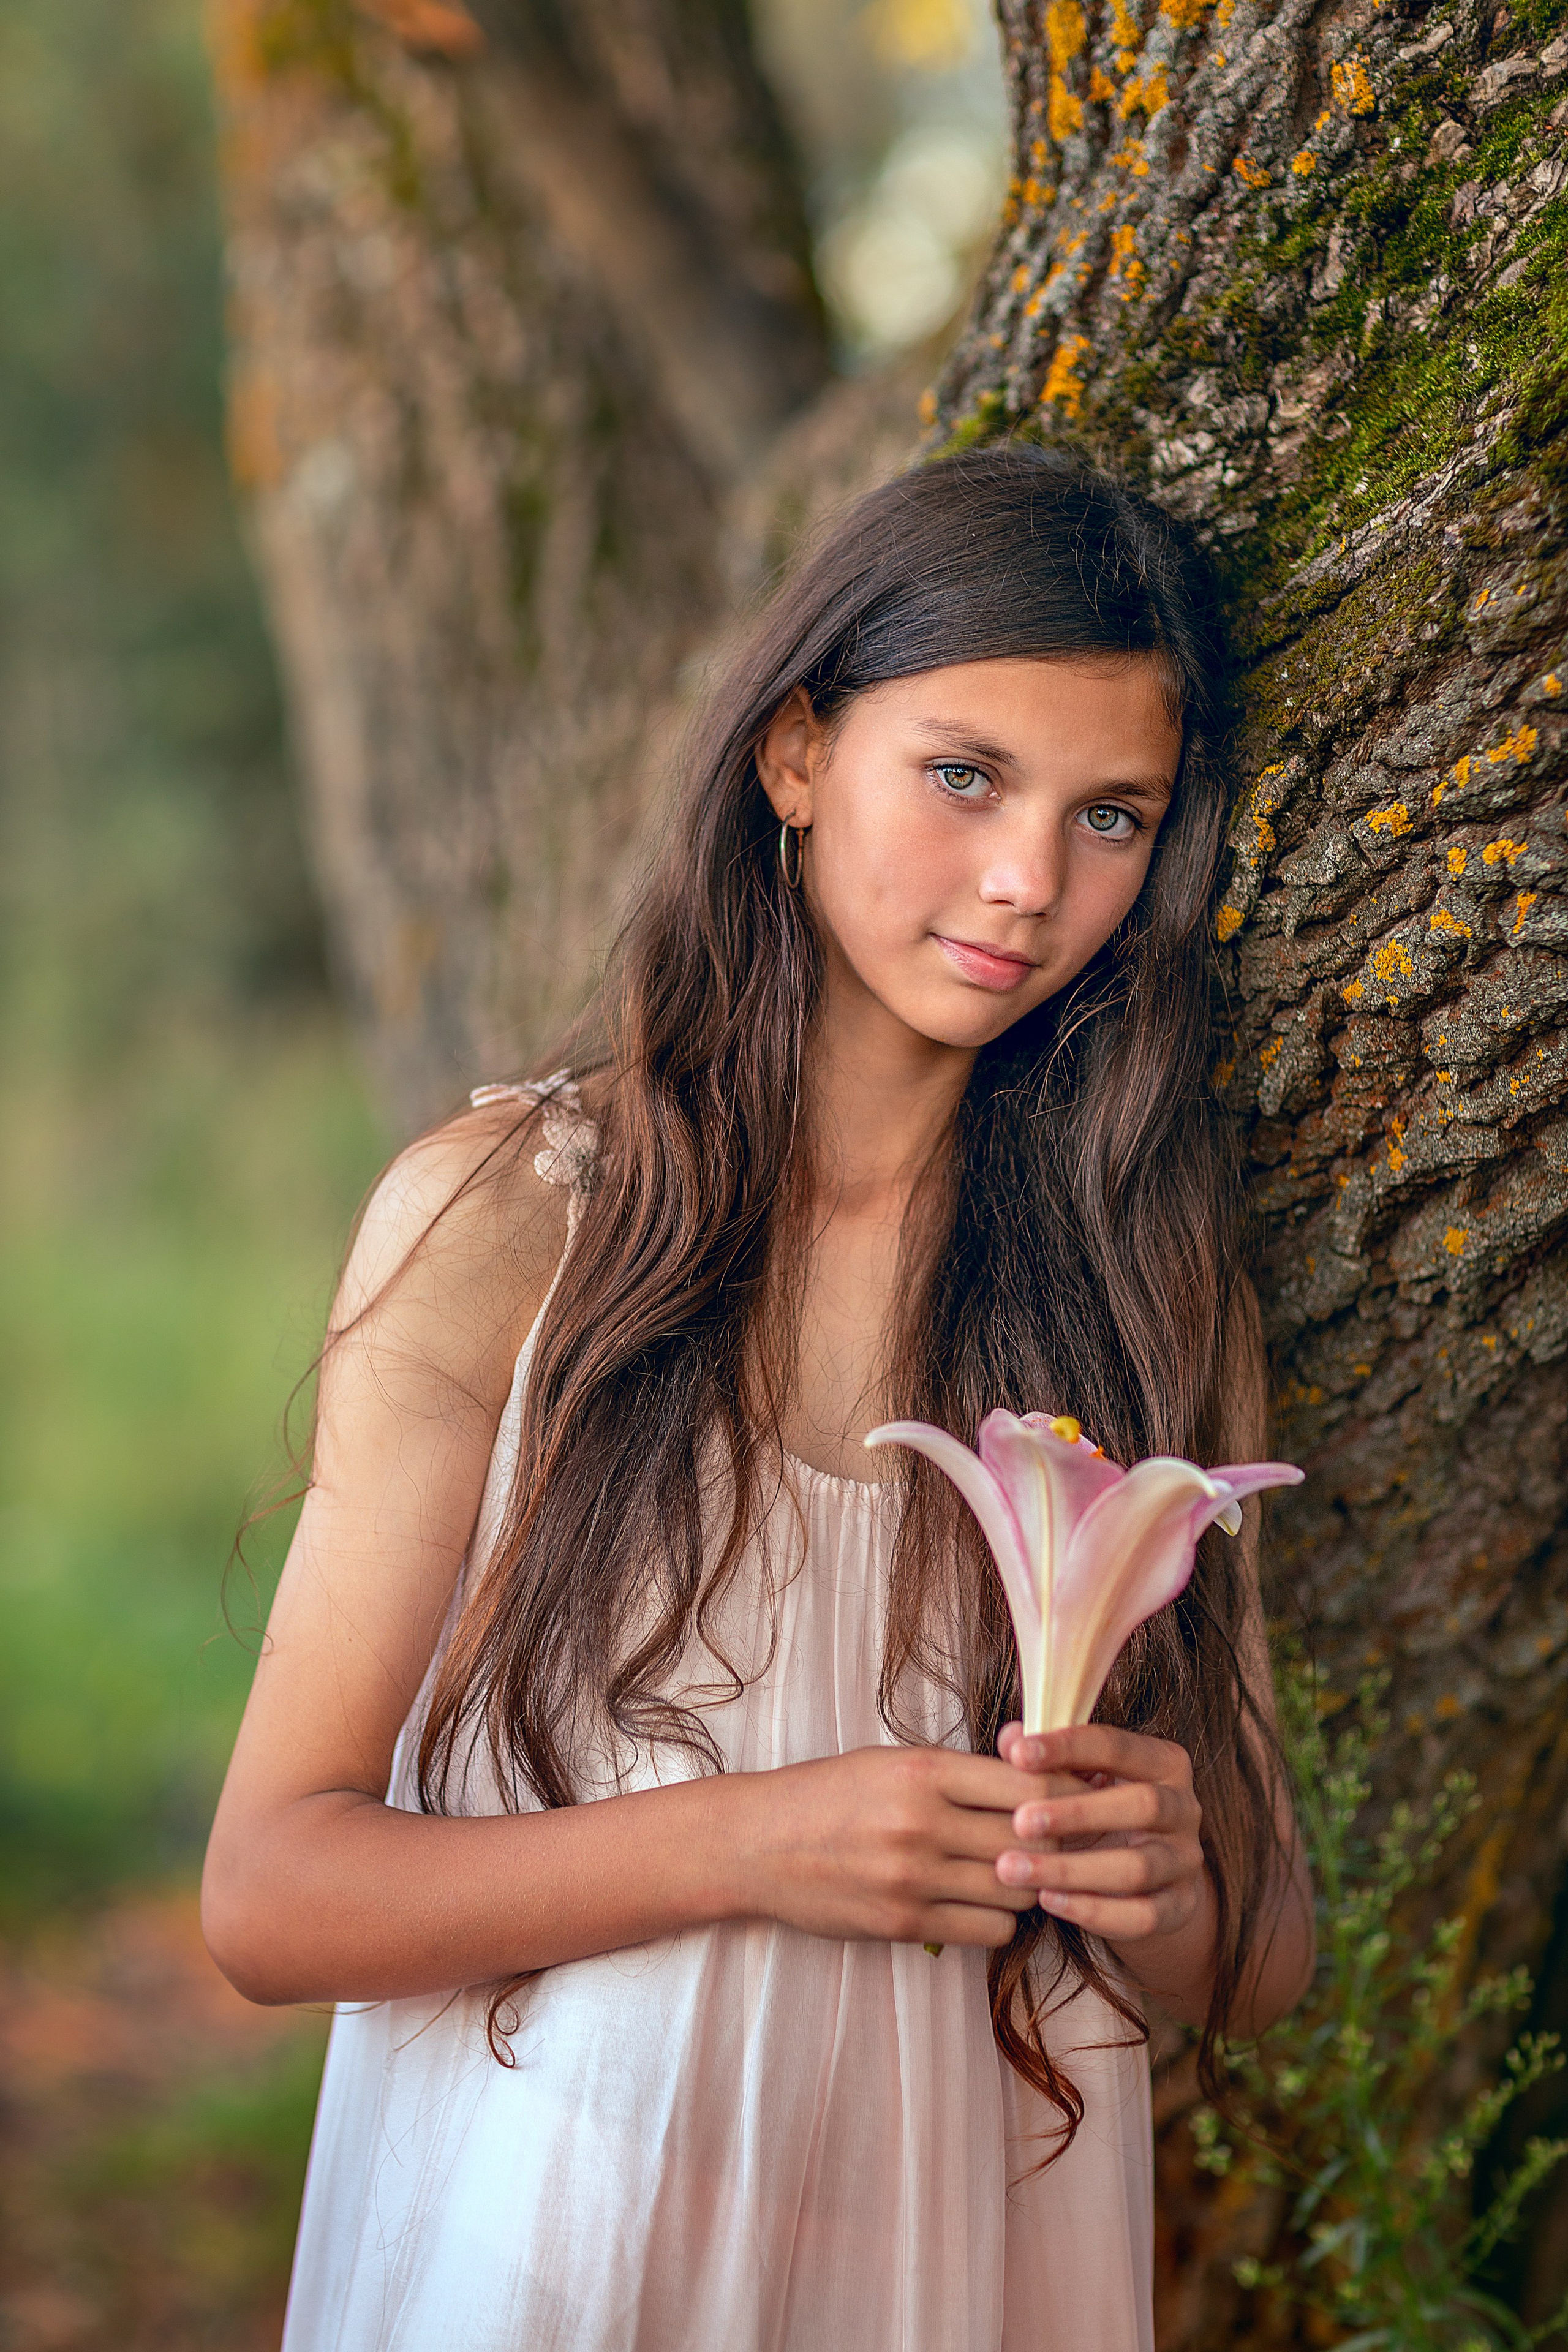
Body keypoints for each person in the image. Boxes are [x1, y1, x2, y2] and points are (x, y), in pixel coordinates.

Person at [203, 442, 1315, 2351]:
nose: (1029, 879)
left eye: (1112, 815)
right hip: (563, 2246)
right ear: (796, 756)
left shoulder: (1140, 1286)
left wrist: (1158, 1876)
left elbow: (1264, 1961)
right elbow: (270, 1894)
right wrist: (756, 1840)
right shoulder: (511, 1227)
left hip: (956, 2259)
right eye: (964, 776)